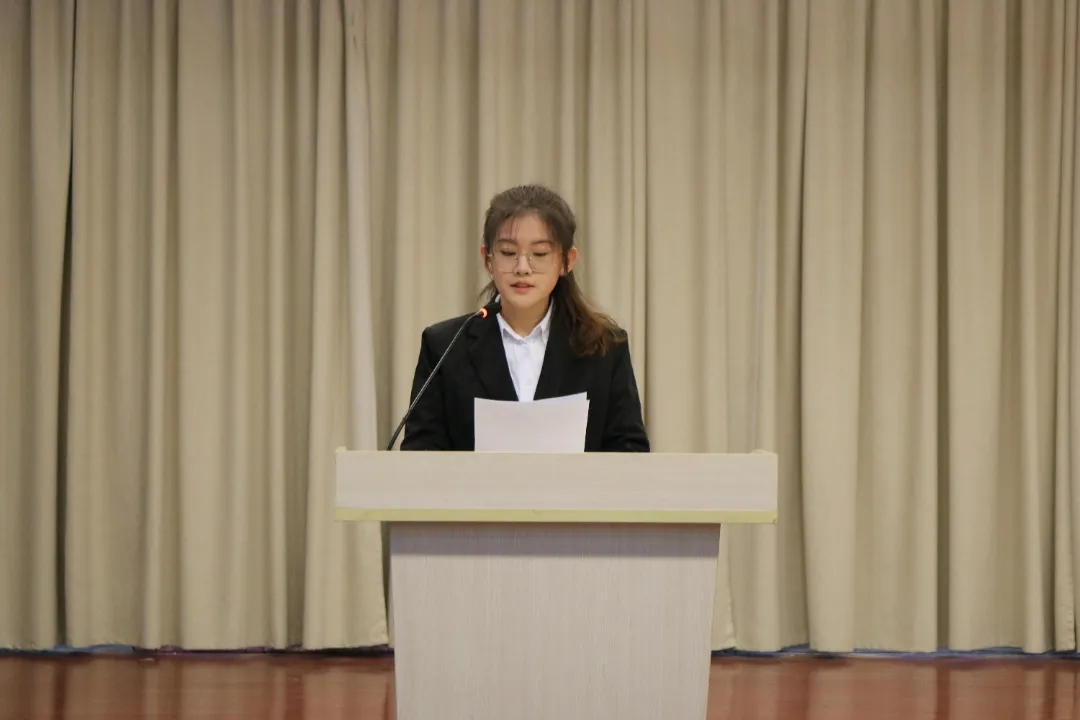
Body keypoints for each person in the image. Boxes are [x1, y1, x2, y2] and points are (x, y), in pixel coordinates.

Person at [400, 184, 650, 452]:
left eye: (539, 254)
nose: (522, 268)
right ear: (488, 259)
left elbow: (630, 452)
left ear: (567, 260)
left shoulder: (605, 346)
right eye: (508, 252)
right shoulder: (445, 346)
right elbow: (420, 452)